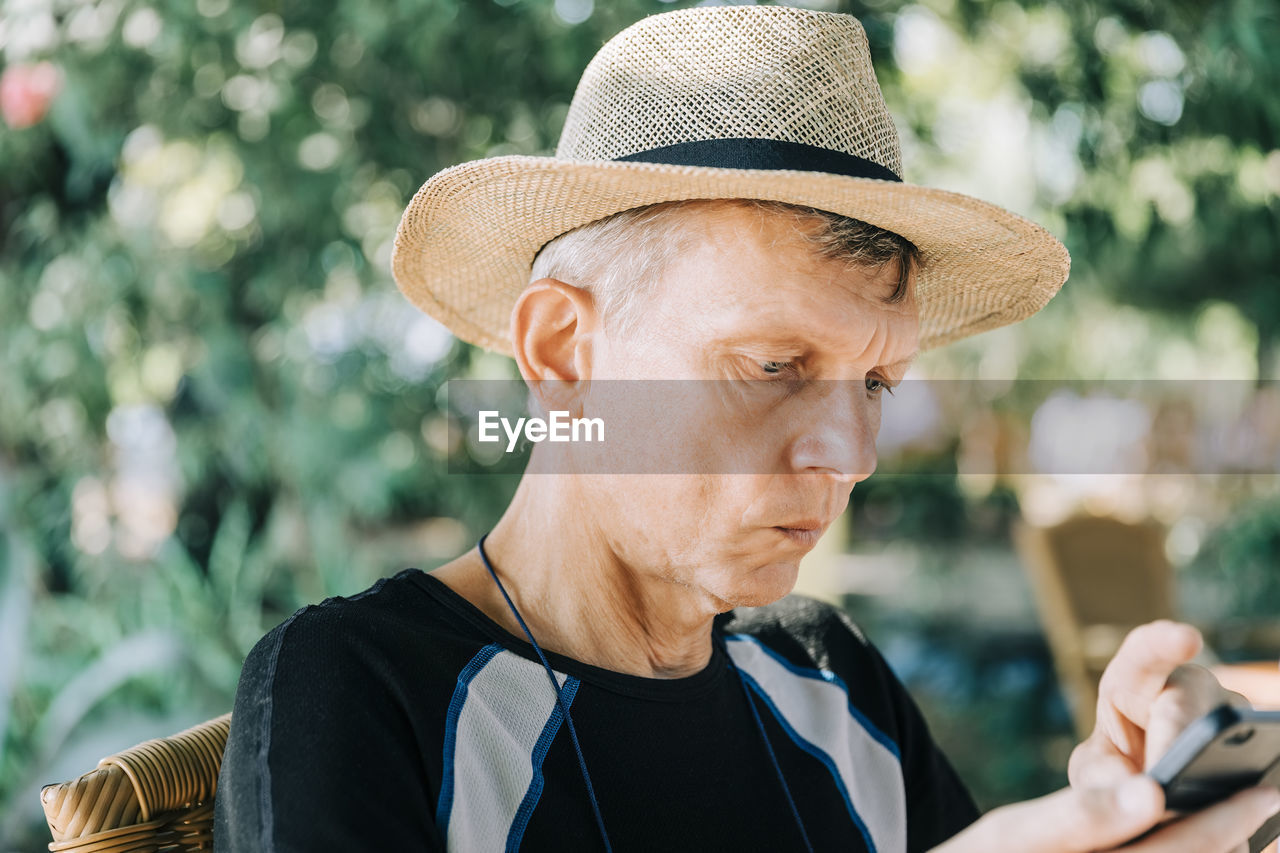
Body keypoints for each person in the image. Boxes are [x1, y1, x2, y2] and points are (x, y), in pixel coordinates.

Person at [212, 5, 1279, 852]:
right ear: (560, 354)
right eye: (773, 367)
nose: (848, 455)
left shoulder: (828, 680)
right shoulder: (359, 690)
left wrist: (1126, 812)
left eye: (875, 382)